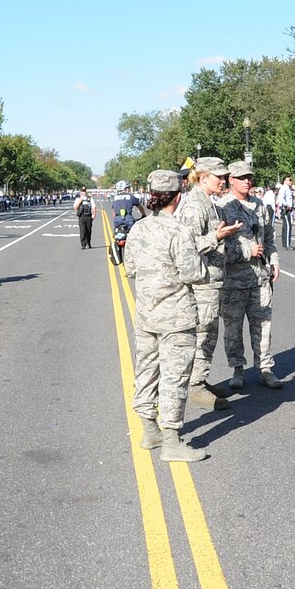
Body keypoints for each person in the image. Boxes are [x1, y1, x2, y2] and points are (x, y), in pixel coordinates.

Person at [122, 168, 211, 462]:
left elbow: (131, 268)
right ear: (178, 196)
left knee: (146, 372)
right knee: (174, 378)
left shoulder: (138, 229)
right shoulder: (179, 230)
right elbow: (193, 273)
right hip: (176, 316)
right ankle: (172, 440)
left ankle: (150, 430)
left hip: (146, 313)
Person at [177, 158, 242, 406]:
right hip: (203, 281)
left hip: (214, 279)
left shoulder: (209, 203)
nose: (223, 181)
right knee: (203, 333)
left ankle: (201, 380)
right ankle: (194, 386)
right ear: (203, 178)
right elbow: (189, 246)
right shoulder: (195, 205)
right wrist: (217, 235)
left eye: (224, 177)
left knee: (210, 332)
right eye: (218, 177)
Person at [219, 161, 281, 388]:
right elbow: (219, 247)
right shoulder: (222, 207)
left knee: (263, 324)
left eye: (249, 177)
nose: (247, 181)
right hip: (234, 279)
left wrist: (274, 261)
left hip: (260, 276)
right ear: (230, 180)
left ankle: (265, 368)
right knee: (233, 329)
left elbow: (269, 237)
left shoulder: (260, 205)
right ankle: (237, 370)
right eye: (242, 177)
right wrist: (247, 251)